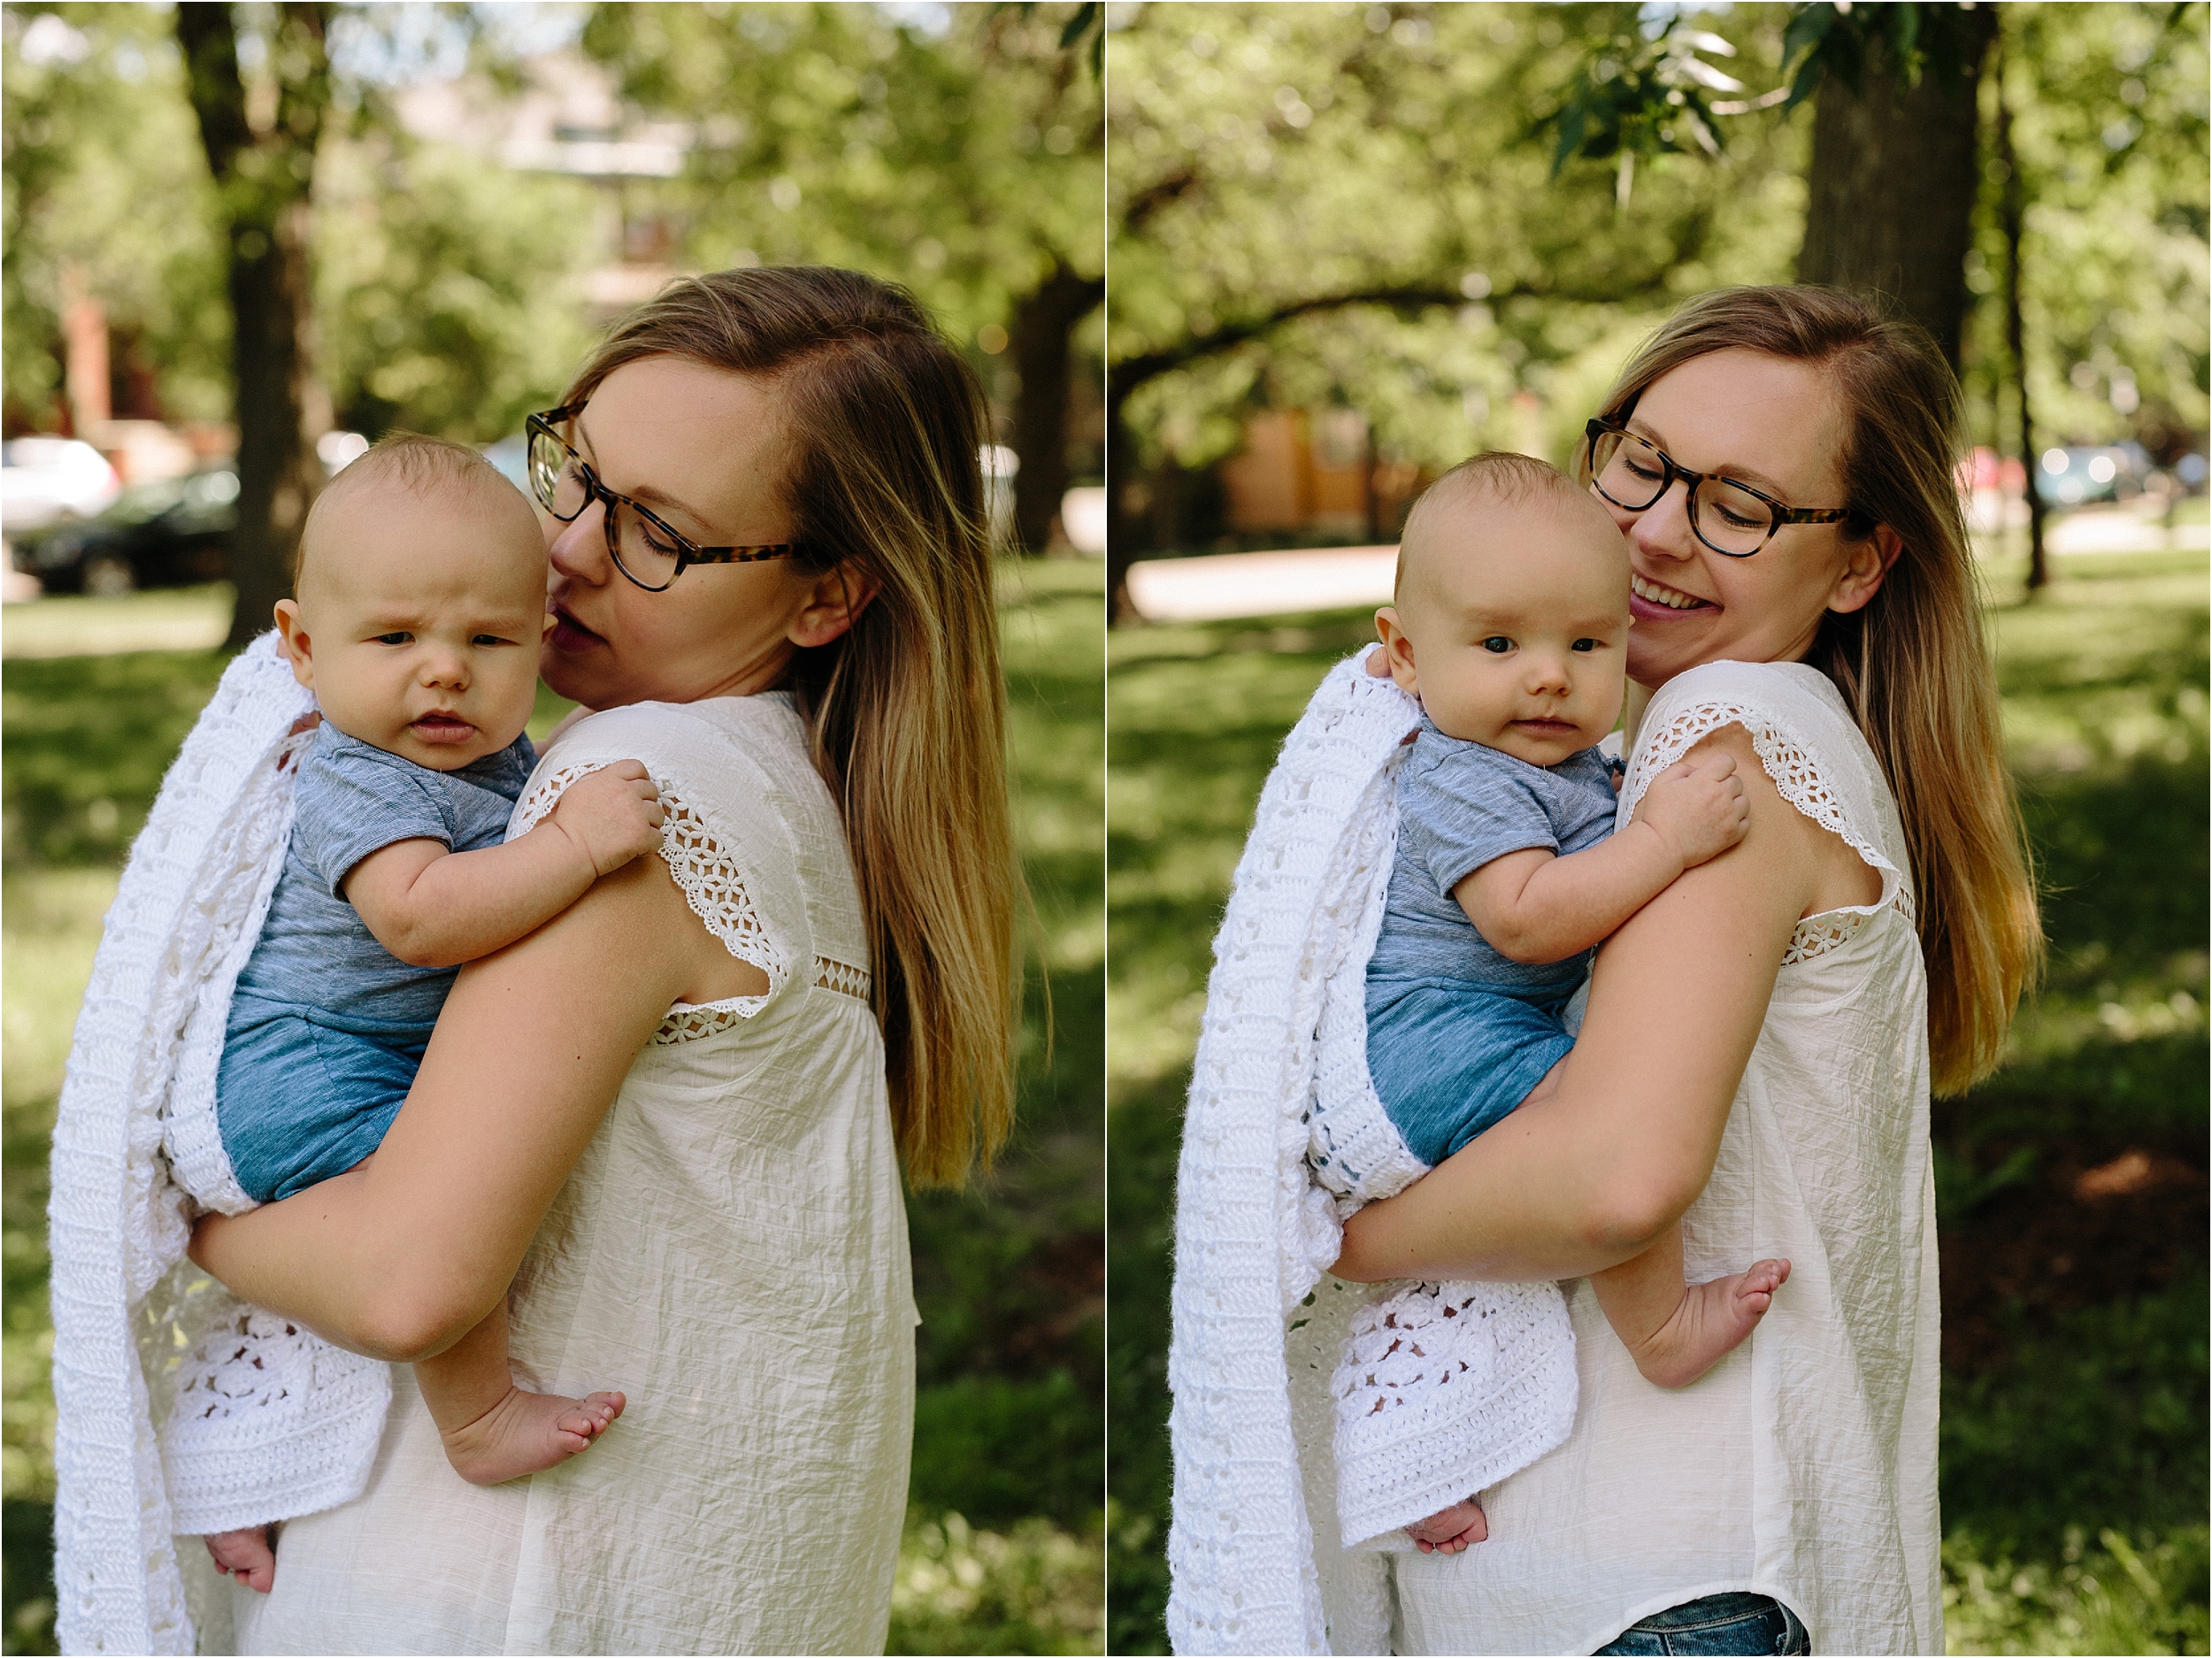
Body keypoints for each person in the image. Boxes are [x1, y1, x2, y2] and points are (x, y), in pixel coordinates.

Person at [186, 266, 1020, 1655]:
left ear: (828, 597)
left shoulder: (646, 787)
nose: (565, 548)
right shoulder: (800, 782)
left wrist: (175, 1206)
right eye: (570, 470)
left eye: (655, 534)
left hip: (499, 1583)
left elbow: (409, 1280)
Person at [1325, 286, 2041, 1655]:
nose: (1652, 527)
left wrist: (1328, 1238)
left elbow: (1616, 1178)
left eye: (1741, 504)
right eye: (1643, 461)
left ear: (1858, 566)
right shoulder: (1661, 750)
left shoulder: (1730, 730)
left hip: (1647, 1572)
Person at [198, 438, 667, 1593]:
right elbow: (422, 915)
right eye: (397, 638)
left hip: (361, 1053)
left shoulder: (490, 756)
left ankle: (236, 1477)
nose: (444, 673)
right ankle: (480, 1415)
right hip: (308, 1067)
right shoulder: (357, 769)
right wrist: (573, 846)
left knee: (313, 1327)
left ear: (540, 639)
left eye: (489, 640)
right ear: (304, 646)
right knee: (436, 1221)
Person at [1352, 451, 1786, 1559]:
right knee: (1586, 1120)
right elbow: (1529, 918)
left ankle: (1416, 1454)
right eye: (1499, 645)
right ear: (1404, 655)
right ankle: (1661, 1325)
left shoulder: (1556, 757)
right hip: (1427, 1036)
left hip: (1465, 1028)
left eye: (1586, 644)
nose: (1548, 677)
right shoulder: (1454, 769)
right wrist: (1660, 841)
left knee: (1456, 1281)